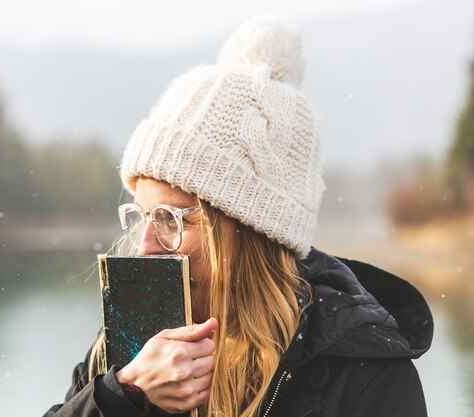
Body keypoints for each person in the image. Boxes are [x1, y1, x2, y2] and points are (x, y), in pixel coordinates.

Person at [43, 15, 433, 417]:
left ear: (253, 232)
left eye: (173, 219)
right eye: (143, 216)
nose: (145, 245)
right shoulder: (128, 351)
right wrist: (122, 397)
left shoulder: (366, 375)